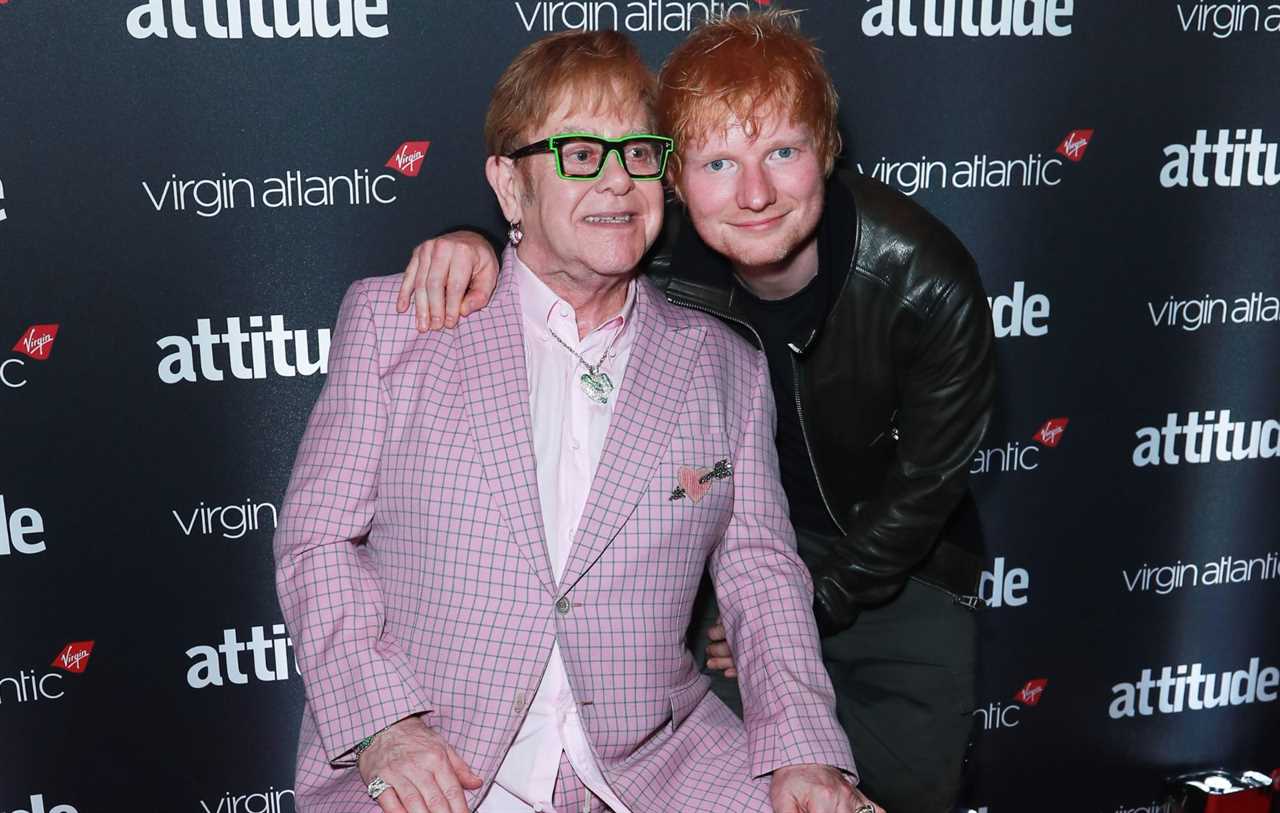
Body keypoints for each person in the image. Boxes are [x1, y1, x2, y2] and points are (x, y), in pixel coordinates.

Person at [395, 12, 997, 813]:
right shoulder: (649, 235)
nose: (754, 193)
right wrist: (469, 239)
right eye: (718, 161)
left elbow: (928, 481)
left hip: (901, 570)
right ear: (677, 179)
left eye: (783, 151)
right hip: (742, 565)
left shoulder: (928, 279)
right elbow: (554, 224)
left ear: (828, 151)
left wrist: (823, 594)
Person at [275, 29, 880, 813]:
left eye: (637, 155)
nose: (617, 182)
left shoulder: (725, 367)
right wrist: (386, 725)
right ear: (508, 186)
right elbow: (315, 538)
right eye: (579, 154)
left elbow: (761, 579)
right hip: (436, 762)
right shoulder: (402, 327)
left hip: (657, 764)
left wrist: (802, 752)